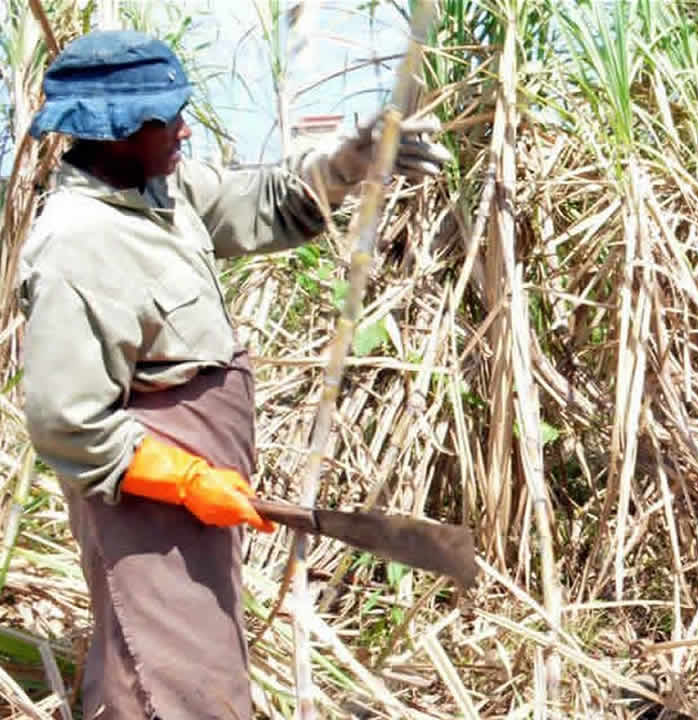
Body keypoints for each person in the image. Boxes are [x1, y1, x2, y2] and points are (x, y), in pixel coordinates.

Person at [17, 30, 450, 719]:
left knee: (178, 672)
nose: (184, 126)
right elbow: (65, 423)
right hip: (144, 507)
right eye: (166, 116)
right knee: (171, 687)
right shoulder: (77, 241)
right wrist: (186, 479)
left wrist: (346, 164)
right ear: (114, 134)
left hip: (195, 498)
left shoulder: (164, 188)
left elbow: (270, 205)